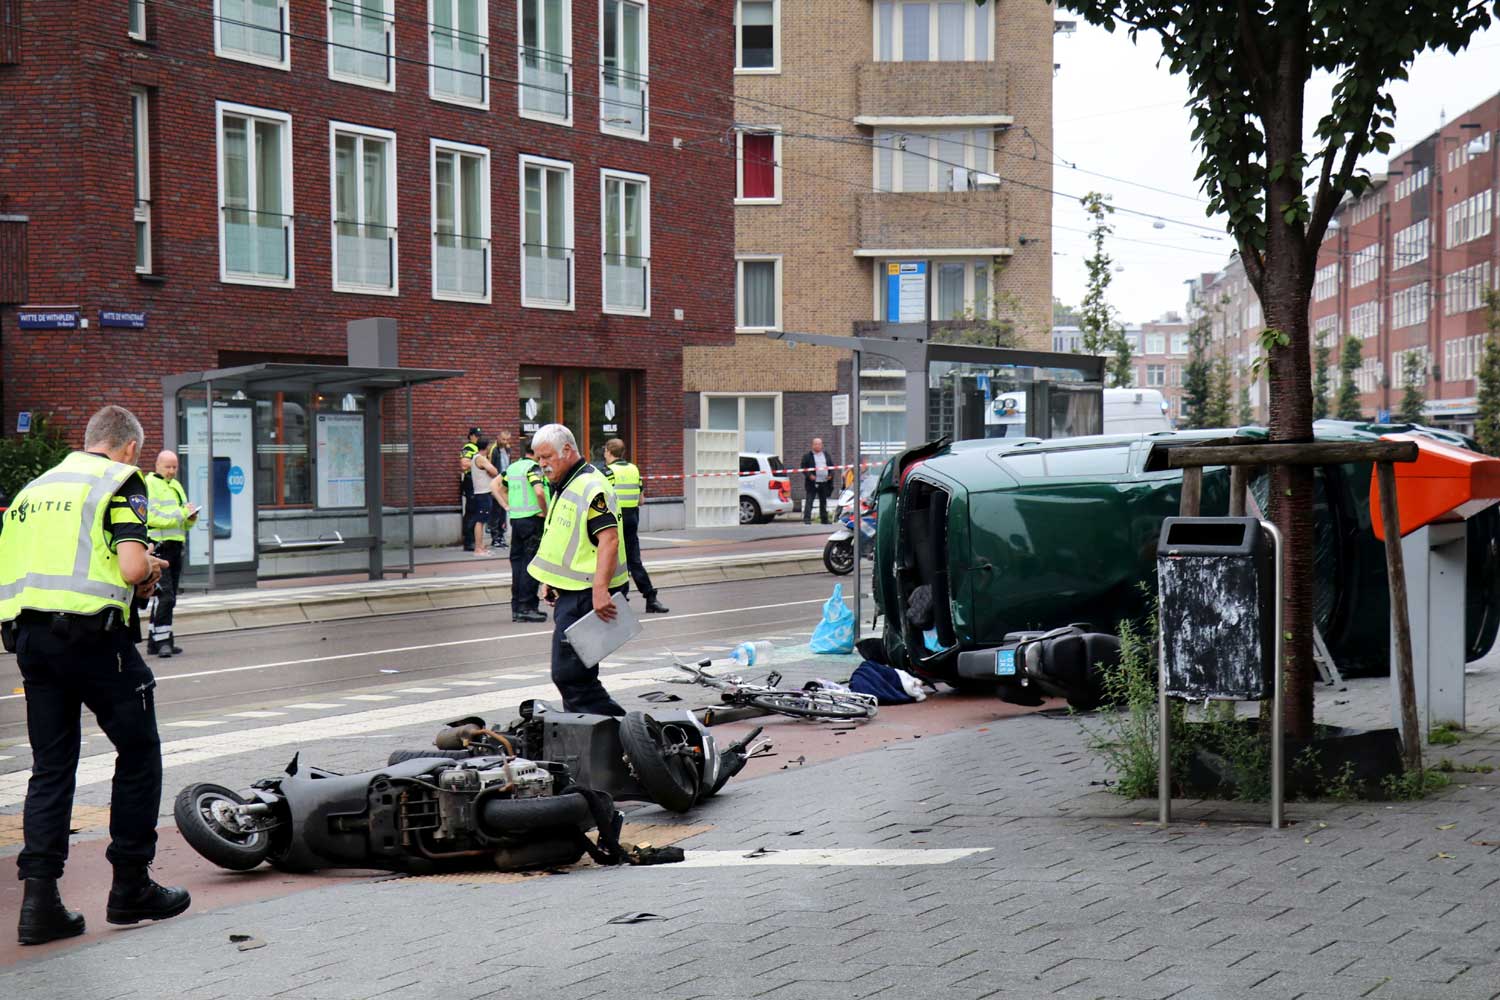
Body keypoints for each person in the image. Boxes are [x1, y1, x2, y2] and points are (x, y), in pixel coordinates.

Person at [0, 405, 191, 946]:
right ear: (129, 447)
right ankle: (130, 885)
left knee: (51, 767)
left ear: (88, 439)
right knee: (138, 750)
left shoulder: (34, 489)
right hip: (93, 640)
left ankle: (39, 904)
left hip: (30, 642)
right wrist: (152, 570)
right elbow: (132, 567)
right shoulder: (121, 480)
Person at [527, 424, 628, 716]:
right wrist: (552, 582)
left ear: (568, 451)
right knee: (575, 679)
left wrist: (600, 591)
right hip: (573, 592)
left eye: (547, 456)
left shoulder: (590, 486)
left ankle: (627, 737)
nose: (542, 464)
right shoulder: (568, 483)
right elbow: (569, 541)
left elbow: (608, 539)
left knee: (572, 677)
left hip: (587, 594)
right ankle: (590, 740)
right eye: (538, 458)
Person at [601, 438, 668, 614]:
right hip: (632, 519)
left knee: (614, 561)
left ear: (609, 451)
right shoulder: (634, 469)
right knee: (634, 560)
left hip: (615, 520)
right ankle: (651, 598)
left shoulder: (609, 472)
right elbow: (641, 500)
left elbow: (603, 498)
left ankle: (619, 598)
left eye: (605, 451)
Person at [144, 449, 197, 659]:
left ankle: (155, 640)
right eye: (168, 467)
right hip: (159, 546)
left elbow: (183, 519)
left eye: (174, 467)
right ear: (157, 465)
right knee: (165, 595)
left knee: (169, 596)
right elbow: (152, 517)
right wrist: (182, 514)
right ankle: (163, 641)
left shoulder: (176, 486)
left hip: (176, 546)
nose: (172, 471)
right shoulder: (149, 484)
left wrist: (191, 519)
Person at [496, 441, 548, 623]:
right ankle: (528, 607)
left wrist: (509, 506)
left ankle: (517, 608)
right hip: (533, 520)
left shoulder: (513, 467)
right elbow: (540, 492)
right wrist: (545, 511)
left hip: (517, 520)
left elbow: (501, 489)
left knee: (517, 564)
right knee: (531, 564)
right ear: (536, 452)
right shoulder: (533, 468)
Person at [468, 439, 500, 557]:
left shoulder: (476, 458)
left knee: (481, 520)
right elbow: (494, 471)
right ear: (486, 448)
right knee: (480, 520)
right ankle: (478, 548)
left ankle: (480, 546)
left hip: (482, 493)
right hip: (483, 493)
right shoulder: (480, 458)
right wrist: (491, 468)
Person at [487, 431, 512, 550]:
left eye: (507, 440)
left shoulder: (507, 449)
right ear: (498, 438)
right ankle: (495, 537)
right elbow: (490, 467)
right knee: (495, 511)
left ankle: (501, 535)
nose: (505, 442)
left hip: (505, 483)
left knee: (503, 511)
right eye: (503, 439)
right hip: (497, 483)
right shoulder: (494, 449)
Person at [800, 437, 833, 524]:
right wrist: (809, 475)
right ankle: (807, 519)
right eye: (816, 444)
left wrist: (830, 475)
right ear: (812, 445)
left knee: (823, 501)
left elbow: (831, 466)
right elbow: (803, 468)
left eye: (819, 444)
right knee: (810, 501)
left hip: (824, 482)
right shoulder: (807, 456)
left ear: (822, 445)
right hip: (812, 483)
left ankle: (824, 519)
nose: (818, 446)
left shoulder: (826, 455)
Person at [459, 427, 481, 552]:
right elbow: (464, 464)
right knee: (471, 511)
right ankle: (469, 542)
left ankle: (473, 540)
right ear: (471, 436)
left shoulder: (475, 448)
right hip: (470, 479)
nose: (478, 438)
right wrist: (479, 464)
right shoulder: (469, 447)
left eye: (479, 436)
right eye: (476, 436)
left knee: (475, 510)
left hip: (475, 480)